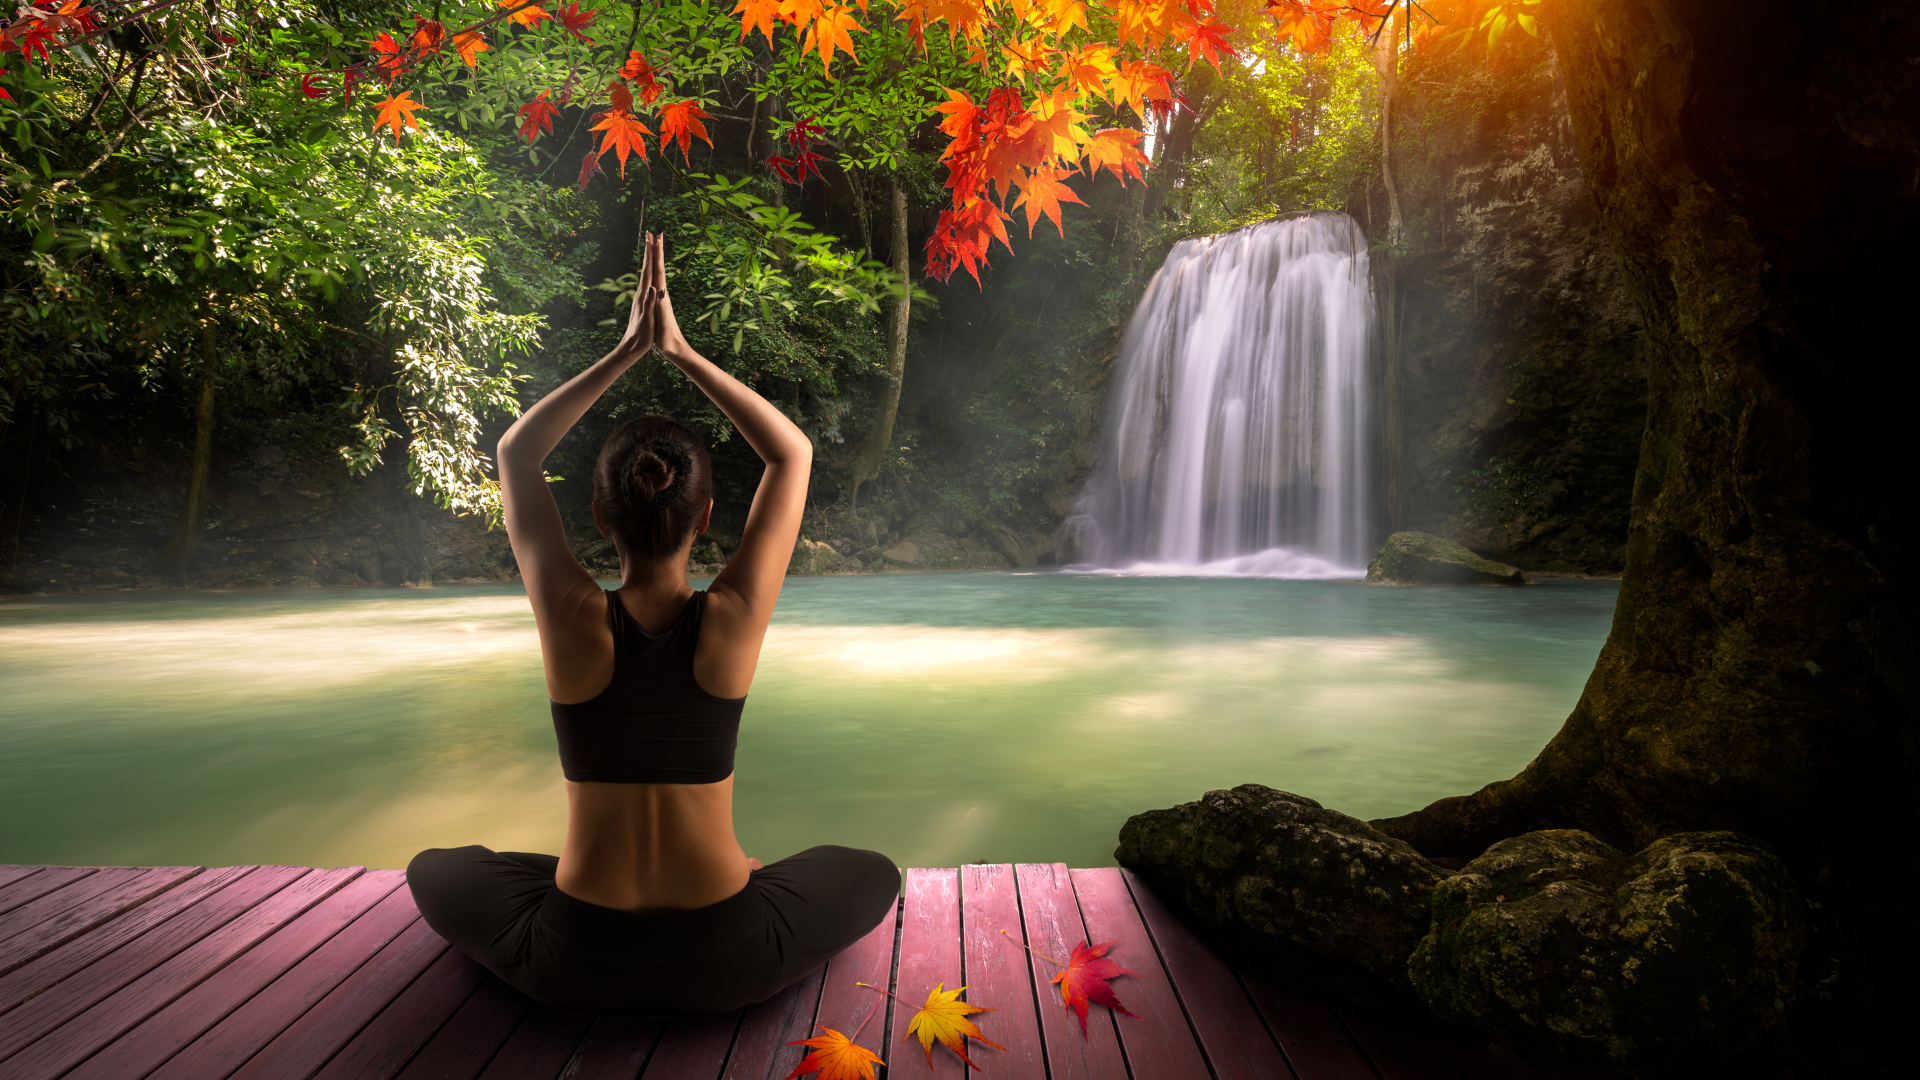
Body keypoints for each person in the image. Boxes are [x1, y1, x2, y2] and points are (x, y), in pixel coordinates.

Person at [406, 233, 898, 1016]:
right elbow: (792, 456)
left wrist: (626, 354)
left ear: (600, 517)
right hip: (726, 958)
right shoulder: (730, 622)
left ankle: (579, 873)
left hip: (577, 958)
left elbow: (515, 454)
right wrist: (682, 353)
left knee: (439, 865)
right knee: (870, 869)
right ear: (706, 515)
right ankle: (728, 868)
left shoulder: (571, 618)